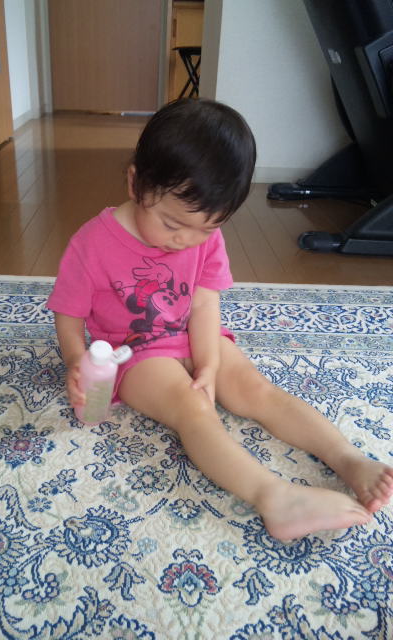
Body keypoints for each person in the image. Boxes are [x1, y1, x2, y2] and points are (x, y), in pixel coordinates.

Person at [48, 98, 393, 541]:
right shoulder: (92, 244)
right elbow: (68, 314)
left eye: (207, 229)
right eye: (172, 224)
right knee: (191, 407)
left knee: (256, 389)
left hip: (192, 336)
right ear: (136, 184)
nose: (187, 241)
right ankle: (275, 497)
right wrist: (76, 360)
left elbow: (204, 305)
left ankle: (347, 459)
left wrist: (209, 364)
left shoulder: (203, 238)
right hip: (133, 355)